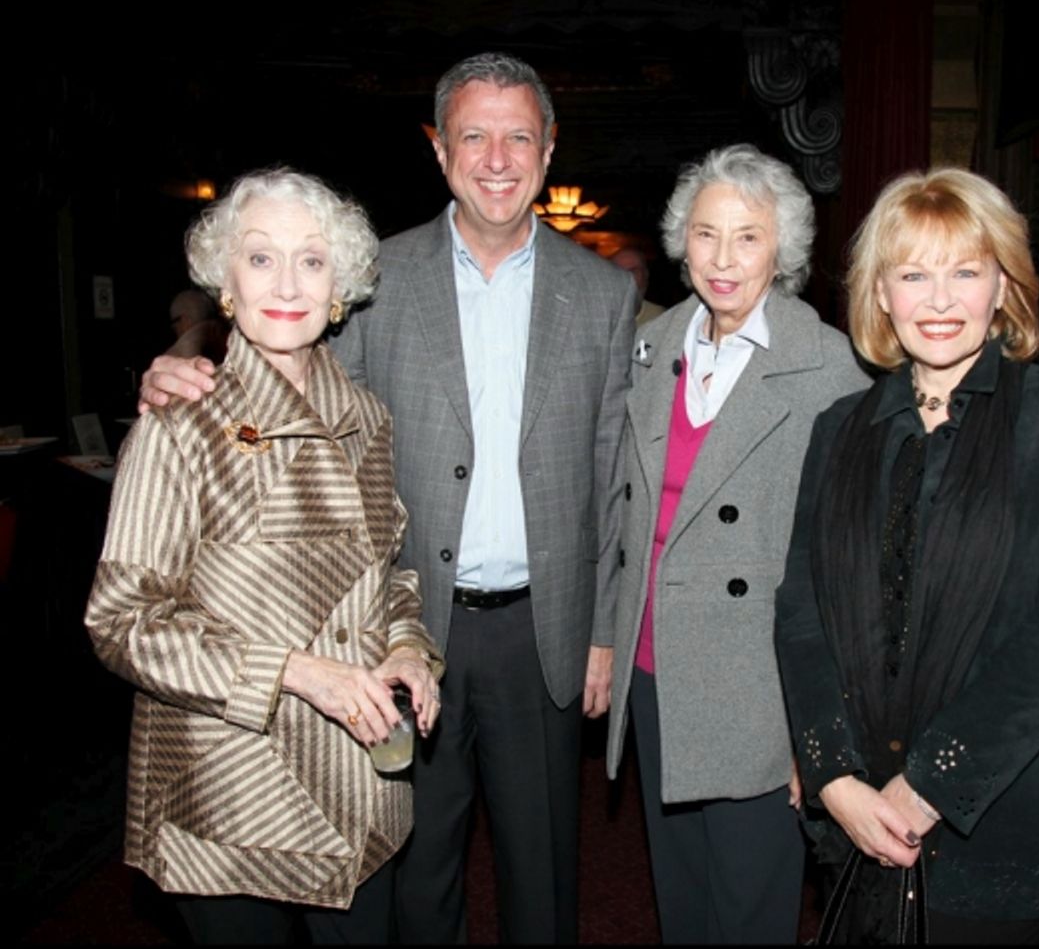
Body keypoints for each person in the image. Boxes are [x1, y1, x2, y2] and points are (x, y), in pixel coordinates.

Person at [139, 53, 639, 944]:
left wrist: (603, 631)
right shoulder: (369, 281)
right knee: (411, 871)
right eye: (473, 135)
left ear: (549, 147)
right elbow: (287, 370)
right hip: (401, 638)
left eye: (519, 135)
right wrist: (188, 363)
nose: (497, 156)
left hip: (543, 632)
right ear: (439, 150)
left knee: (545, 877)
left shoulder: (603, 293)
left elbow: (611, 473)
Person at [774, 167, 1039, 944]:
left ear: (1003, 287)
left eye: (965, 272)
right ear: (880, 295)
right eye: (913, 274)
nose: (938, 301)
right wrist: (832, 774)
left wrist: (930, 785)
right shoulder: (839, 429)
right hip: (858, 815)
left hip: (999, 817)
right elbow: (802, 611)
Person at [89, 168, 444, 945]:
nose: (287, 283)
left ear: (341, 284)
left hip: (358, 784)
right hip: (229, 793)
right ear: (224, 281)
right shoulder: (180, 424)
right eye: (260, 258)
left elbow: (389, 574)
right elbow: (121, 622)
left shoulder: (367, 418)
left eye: (312, 260)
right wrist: (294, 670)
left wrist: (410, 649)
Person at [604, 143, 868, 943]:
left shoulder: (829, 368)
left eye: (748, 236)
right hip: (652, 667)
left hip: (760, 687)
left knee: (750, 911)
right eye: (706, 234)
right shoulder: (654, 347)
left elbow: (843, 572)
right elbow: (624, 517)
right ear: (682, 241)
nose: (723, 258)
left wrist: (819, 729)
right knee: (679, 896)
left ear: (782, 247)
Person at [166, 287, 228, 363]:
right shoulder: (230, 338)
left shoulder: (174, 359)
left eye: (174, 323)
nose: (174, 328)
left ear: (185, 321)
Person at [611, 245, 665, 327]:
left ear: (646, 275)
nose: (626, 279)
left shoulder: (661, 318)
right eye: (619, 272)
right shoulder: (596, 317)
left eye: (633, 271)